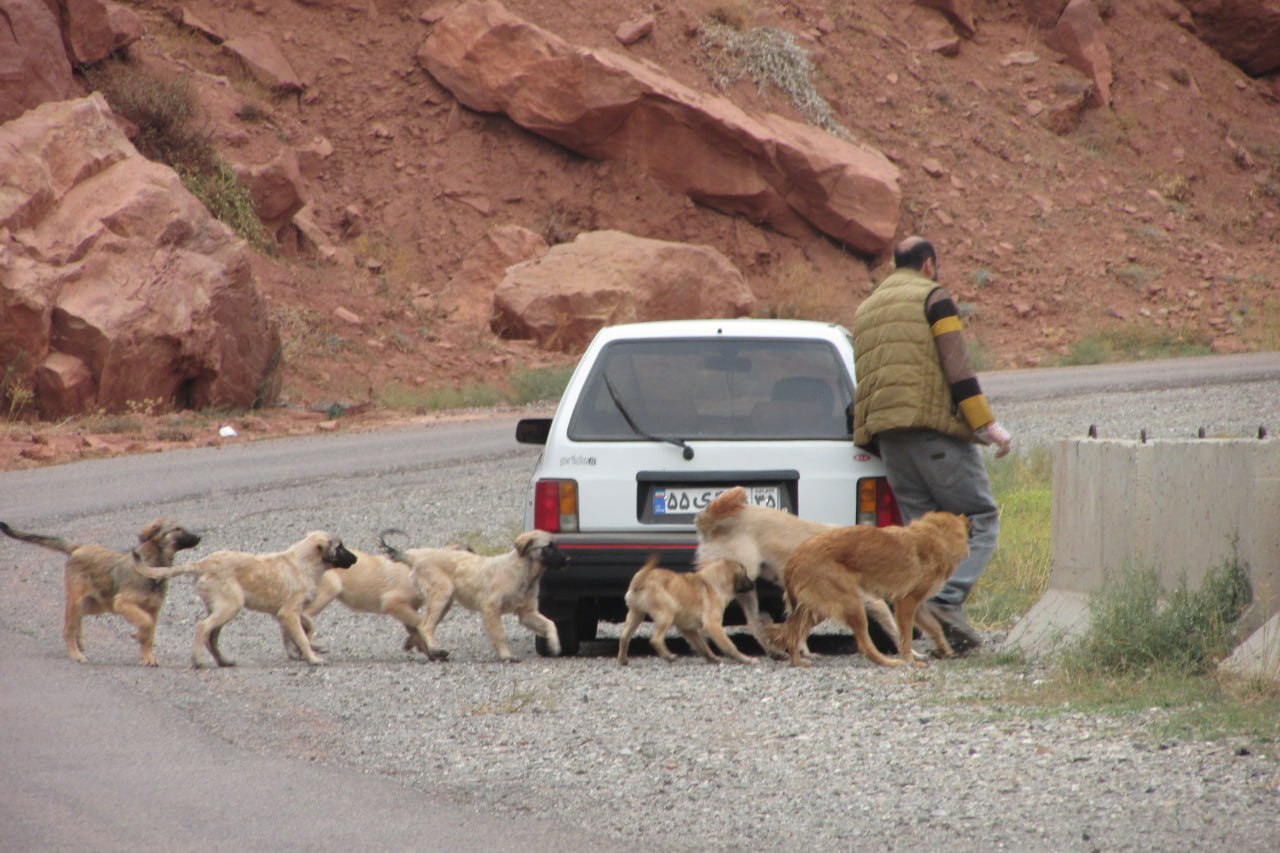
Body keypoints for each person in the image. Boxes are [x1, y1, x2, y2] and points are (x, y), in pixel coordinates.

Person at [850, 235, 1012, 653]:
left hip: (889, 440)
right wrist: (987, 425)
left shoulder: (866, 309)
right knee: (979, 517)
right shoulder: (933, 297)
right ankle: (944, 600)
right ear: (928, 265)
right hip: (931, 433)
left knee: (920, 534)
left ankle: (925, 612)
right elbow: (956, 367)